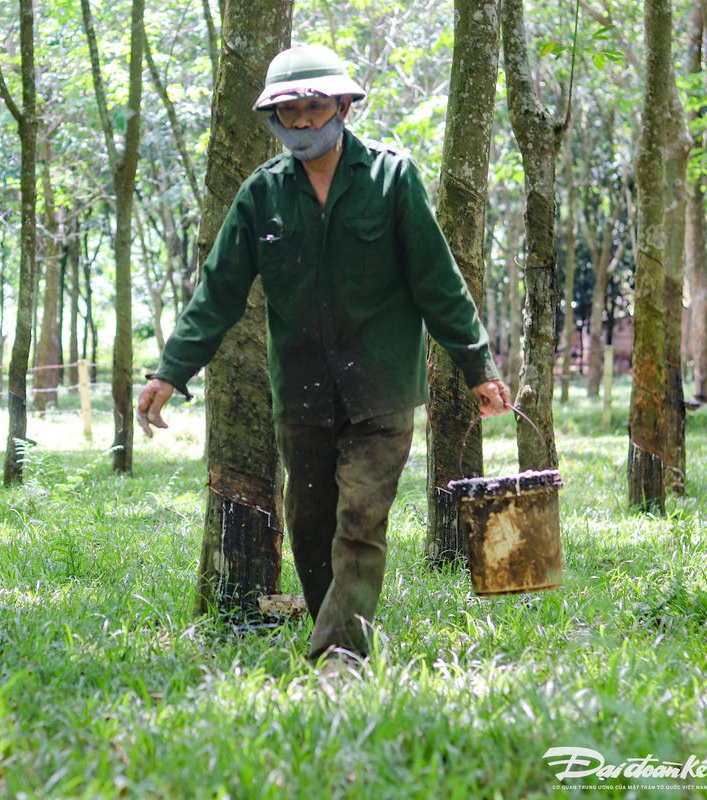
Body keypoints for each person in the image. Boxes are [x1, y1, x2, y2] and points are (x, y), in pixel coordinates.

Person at [135, 43, 511, 666]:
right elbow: (218, 293)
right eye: (290, 111)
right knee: (310, 529)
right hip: (302, 391)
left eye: (314, 107)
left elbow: (438, 282)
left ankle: (340, 655)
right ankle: (333, 623)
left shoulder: (393, 179)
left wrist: (478, 367)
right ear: (274, 119)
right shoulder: (261, 197)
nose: (303, 121)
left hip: (382, 387)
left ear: (341, 105)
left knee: (361, 518)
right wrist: (170, 372)